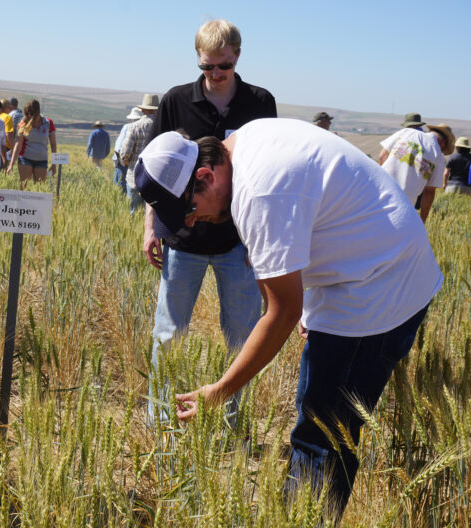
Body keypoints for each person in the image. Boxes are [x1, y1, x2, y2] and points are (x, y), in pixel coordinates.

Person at [136, 120, 441, 523]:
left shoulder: (258, 193)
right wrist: (305, 305)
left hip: (379, 286)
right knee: (318, 421)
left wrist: (222, 390)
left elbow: (280, 313)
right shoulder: (247, 142)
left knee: (322, 436)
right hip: (366, 271)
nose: (191, 223)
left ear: (206, 176)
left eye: (189, 210)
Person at [143, 19, 276, 423]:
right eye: (206, 67)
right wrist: (151, 227)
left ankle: (234, 425)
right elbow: (156, 172)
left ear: (238, 55)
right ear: (197, 61)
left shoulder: (260, 102)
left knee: (242, 337)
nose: (215, 75)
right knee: (168, 335)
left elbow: (266, 173)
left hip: (238, 241)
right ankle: (161, 424)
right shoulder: (175, 102)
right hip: (183, 240)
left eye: (223, 66)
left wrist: (260, 241)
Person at [379, 113, 454, 223]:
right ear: (443, 142)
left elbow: (382, 156)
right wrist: (422, 220)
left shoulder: (406, 132)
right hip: (404, 205)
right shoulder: (438, 155)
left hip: (379, 191)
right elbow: (429, 192)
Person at [120, 95, 158, 212]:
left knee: (132, 213)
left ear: (142, 110)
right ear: (156, 110)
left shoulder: (134, 127)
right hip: (155, 180)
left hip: (135, 177)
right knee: (151, 216)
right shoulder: (163, 128)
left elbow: (125, 153)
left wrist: (127, 162)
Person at [7, 99, 57, 186]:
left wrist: (54, 164)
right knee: (24, 186)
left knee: (39, 189)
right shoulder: (23, 123)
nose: (29, 115)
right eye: (27, 113)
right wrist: (11, 164)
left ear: (37, 112)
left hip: (42, 160)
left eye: (31, 113)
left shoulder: (48, 123)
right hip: (25, 159)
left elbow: (53, 144)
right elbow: (18, 144)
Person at [112, 107, 142, 194]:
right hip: (138, 164)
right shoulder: (145, 127)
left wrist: (116, 160)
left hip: (123, 162)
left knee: (120, 187)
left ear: (131, 119)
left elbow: (119, 147)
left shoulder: (127, 127)